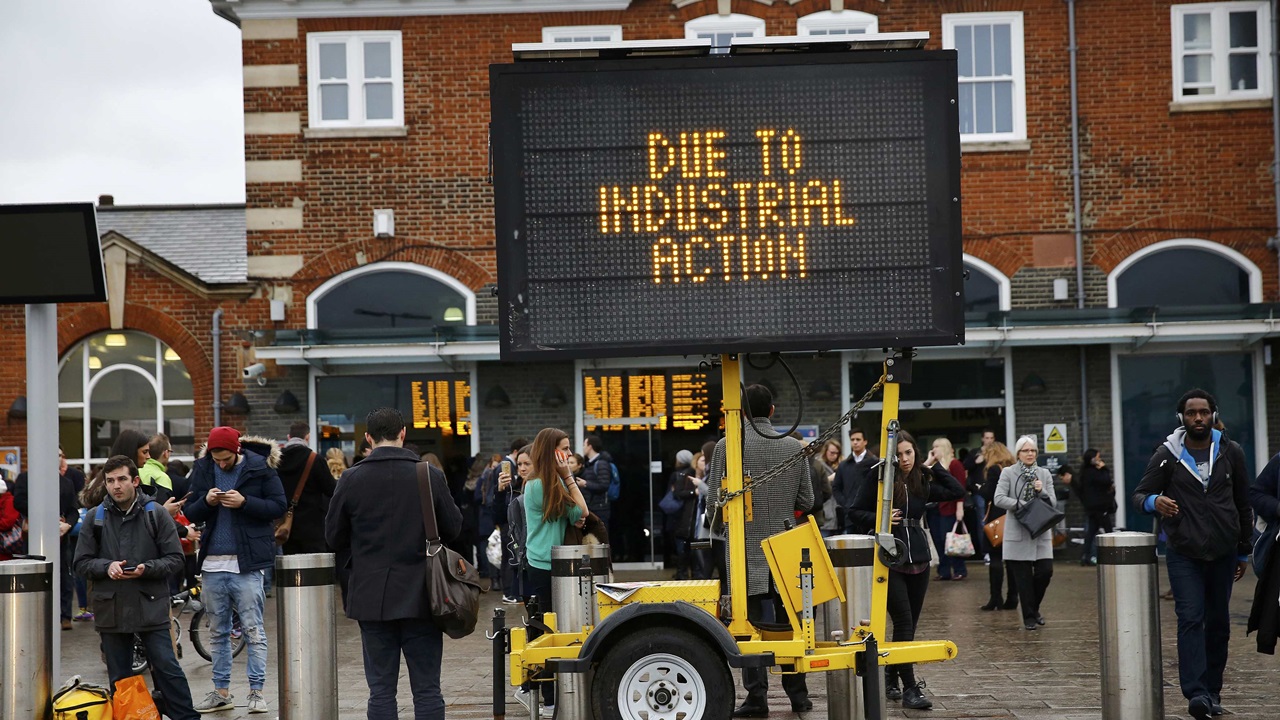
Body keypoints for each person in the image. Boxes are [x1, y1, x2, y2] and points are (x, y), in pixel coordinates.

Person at [325, 407, 463, 720]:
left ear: (368, 438)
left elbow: (333, 537)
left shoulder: (351, 478)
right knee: (428, 689)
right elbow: (454, 527)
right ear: (403, 434)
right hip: (423, 596)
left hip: (371, 597)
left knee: (381, 690)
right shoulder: (429, 474)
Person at [1132, 389, 1250, 720]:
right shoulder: (1167, 454)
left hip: (1224, 552)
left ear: (1213, 414)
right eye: (1190, 413)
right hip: (1184, 551)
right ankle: (1196, 693)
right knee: (1190, 618)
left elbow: (1243, 503)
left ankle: (1213, 689)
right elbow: (1139, 495)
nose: (1197, 417)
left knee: (1218, 623)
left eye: (1203, 412)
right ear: (1181, 418)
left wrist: (1244, 552)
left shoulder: (1231, 452)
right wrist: (1156, 502)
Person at [707, 384, 814, 717]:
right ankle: (798, 695)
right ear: (771, 410)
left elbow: (714, 505)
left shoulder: (726, 447)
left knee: (748, 624)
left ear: (740, 411)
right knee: (790, 621)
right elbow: (808, 501)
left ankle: (757, 697)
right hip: (784, 546)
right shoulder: (793, 446)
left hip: (743, 549)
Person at [72, 455, 199, 719]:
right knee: (120, 677)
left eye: (121, 479)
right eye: (110, 481)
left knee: (166, 668)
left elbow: (175, 558)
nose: (115, 486)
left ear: (135, 481)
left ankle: (185, 716)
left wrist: (147, 569)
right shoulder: (96, 517)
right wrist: (107, 566)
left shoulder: (156, 513)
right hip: (112, 607)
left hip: (149, 603)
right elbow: (81, 563)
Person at [850, 430, 964, 710]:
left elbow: (957, 491)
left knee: (909, 624)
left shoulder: (921, 479)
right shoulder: (878, 478)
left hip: (920, 559)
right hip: (890, 559)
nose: (904, 459)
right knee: (902, 621)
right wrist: (881, 518)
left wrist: (934, 466)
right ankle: (910, 688)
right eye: (898, 454)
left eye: (908, 453)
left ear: (916, 451)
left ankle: (890, 673)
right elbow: (853, 511)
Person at [183, 426, 287, 714]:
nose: (221, 464)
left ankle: (256, 691)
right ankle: (221, 691)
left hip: (248, 563)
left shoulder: (260, 468)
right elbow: (189, 511)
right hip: (213, 563)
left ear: (237, 450)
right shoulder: (204, 468)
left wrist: (245, 503)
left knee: (253, 630)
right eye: (216, 458)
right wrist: (206, 501)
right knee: (218, 632)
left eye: (226, 458)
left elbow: (278, 506)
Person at [516, 428, 588, 718]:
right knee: (548, 631)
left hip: (555, 565)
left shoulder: (552, 481)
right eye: (565, 449)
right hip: (541, 566)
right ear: (551, 451)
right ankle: (545, 698)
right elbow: (580, 512)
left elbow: (580, 513)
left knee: (557, 629)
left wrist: (565, 476)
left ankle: (549, 696)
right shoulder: (537, 486)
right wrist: (569, 477)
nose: (569, 454)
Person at [994, 436, 1057, 632]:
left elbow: (1053, 502)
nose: (1030, 454)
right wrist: (1018, 504)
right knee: (1023, 579)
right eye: (1025, 450)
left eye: (1033, 451)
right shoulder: (1008, 473)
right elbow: (998, 498)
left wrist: (1042, 491)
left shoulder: (1044, 473)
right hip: (1018, 531)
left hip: (1040, 532)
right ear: (1018, 454)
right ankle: (1029, 617)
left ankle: (1034, 608)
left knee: (1045, 572)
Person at [276, 422, 337, 555]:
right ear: (307, 437)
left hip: (284, 525)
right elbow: (331, 490)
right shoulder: (315, 459)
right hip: (312, 526)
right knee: (314, 570)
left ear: (288, 437)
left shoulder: (275, 460)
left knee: (288, 568)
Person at [976, 441, 1018, 611]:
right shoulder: (1015, 468)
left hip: (997, 518)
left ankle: (995, 598)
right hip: (1013, 516)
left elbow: (990, 494)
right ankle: (1013, 598)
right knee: (1012, 560)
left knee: (995, 557)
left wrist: (977, 488)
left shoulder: (995, 470)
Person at [926, 437, 968, 581]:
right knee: (938, 539)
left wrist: (959, 507)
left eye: (937, 446)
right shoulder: (934, 465)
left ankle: (959, 569)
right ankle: (943, 571)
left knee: (951, 540)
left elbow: (960, 486)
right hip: (935, 508)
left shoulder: (955, 464)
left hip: (949, 508)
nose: (934, 449)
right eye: (933, 446)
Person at [834, 426, 878, 533]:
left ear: (865, 441)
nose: (855, 442)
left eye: (858, 440)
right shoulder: (844, 465)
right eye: (852, 440)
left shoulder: (875, 463)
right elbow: (836, 488)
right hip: (849, 517)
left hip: (870, 516)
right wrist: (846, 505)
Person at [1078, 449, 1116, 565]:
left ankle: (1085, 556)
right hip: (1100, 506)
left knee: (1091, 531)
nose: (1100, 459)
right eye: (1098, 457)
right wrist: (1104, 468)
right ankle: (1113, 555)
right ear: (1093, 459)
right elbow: (1107, 481)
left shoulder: (1084, 472)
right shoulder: (1094, 472)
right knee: (1108, 530)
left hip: (1091, 507)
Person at [670, 449, 700, 580]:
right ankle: (682, 574)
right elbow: (677, 493)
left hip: (690, 518)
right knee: (684, 547)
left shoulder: (704, 476)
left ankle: (691, 574)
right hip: (684, 517)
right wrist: (694, 493)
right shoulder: (684, 475)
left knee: (689, 549)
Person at [580, 435, 614, 529]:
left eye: (584, 445)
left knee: (600, 537)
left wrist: (585, 484)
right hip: (593, 506)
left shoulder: (601, 463)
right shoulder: (590, 464)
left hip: (600, 508)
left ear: (590, 446)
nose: (583, 448)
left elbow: (604, 485)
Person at [810, 439, 840, 533]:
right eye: (832, 453)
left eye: (837, 453)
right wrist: (829, 479)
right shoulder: (818, 465)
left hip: (838, 514)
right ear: (826, 451)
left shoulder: (840, 465)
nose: (834, 456)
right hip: (824, 513)